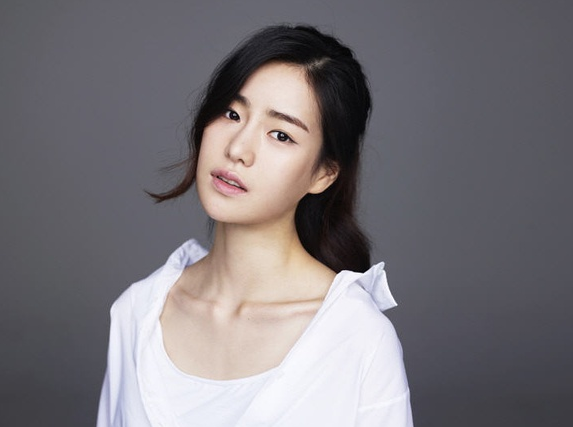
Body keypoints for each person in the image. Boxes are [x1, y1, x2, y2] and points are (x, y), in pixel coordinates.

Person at [97, 24, 413, 426]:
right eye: (232, 114)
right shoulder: (138, 313)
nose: (237, 149)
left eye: (280, 135)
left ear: (324, 174)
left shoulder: (358, 338)